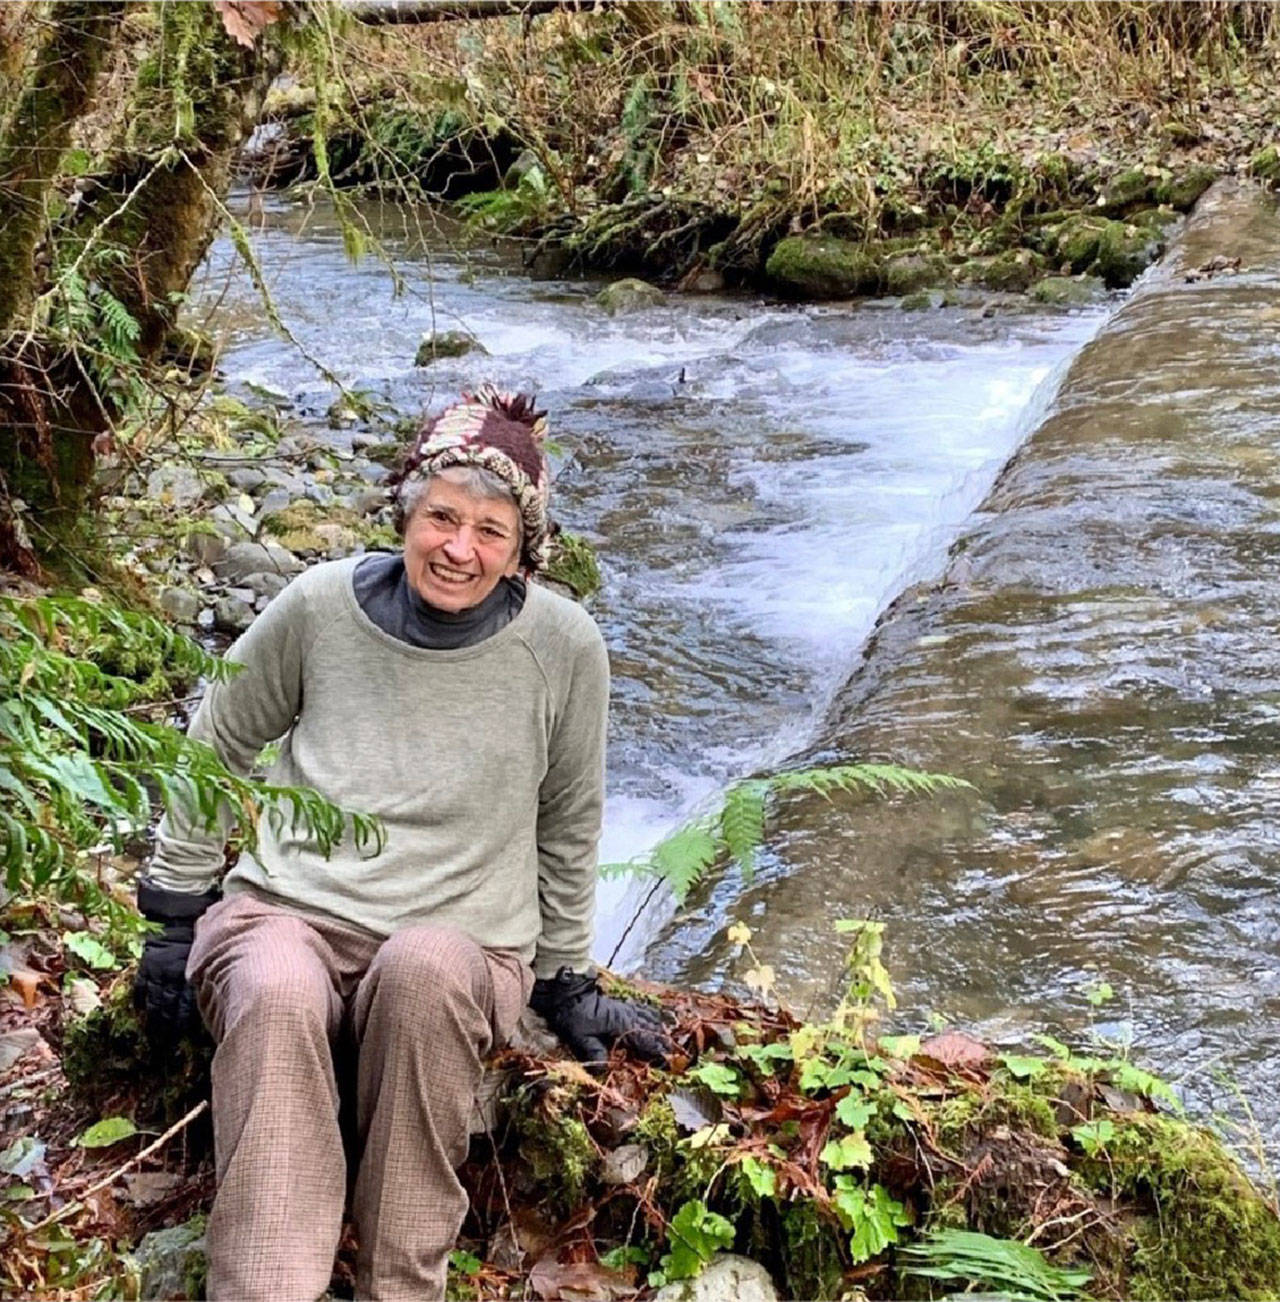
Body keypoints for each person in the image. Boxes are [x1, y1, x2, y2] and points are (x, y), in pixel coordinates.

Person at [133, 387, 668, 1301]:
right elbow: (218, 739)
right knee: (273, 991)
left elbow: (570, 815)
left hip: (463, 940)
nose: (460, 549)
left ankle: (399, 1285)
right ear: (408, 513)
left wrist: (567, 978)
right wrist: (176, 910)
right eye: (443, 518)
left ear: (522, 550)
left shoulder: (565, 647)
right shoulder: (316, 608)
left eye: (491, 532)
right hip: (288, 910)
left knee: (423, 976)